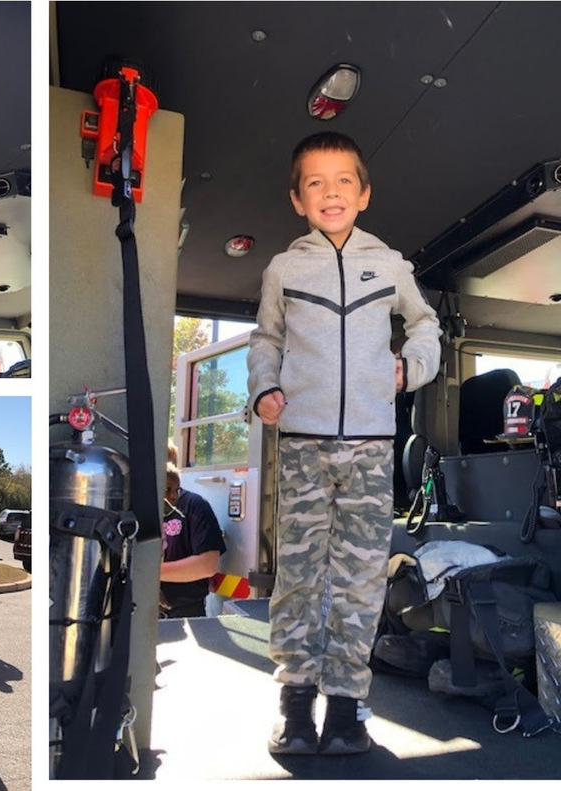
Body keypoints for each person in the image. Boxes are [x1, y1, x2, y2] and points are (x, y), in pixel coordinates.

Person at [247, 131, 441, 755]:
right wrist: (264, 389)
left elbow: (425, 324)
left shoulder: (389, 265)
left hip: (371, 446)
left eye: (343, 182)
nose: (330, 193)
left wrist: (411, 368)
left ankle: (348, 711)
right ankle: (296, 707)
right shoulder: (284, 267)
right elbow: (266, 340)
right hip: (302, 444)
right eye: (315, 184)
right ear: (297, 199)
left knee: (359, 577)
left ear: (364, 193)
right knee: (299, 576)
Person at [159, 461, 226, 618]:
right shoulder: (132, 508)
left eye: (176, 489)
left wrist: (149, 572)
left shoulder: (194, 506)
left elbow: (207, 566)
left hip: (183, 611)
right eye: (167, 490)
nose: (173, 496)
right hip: (138, 611)